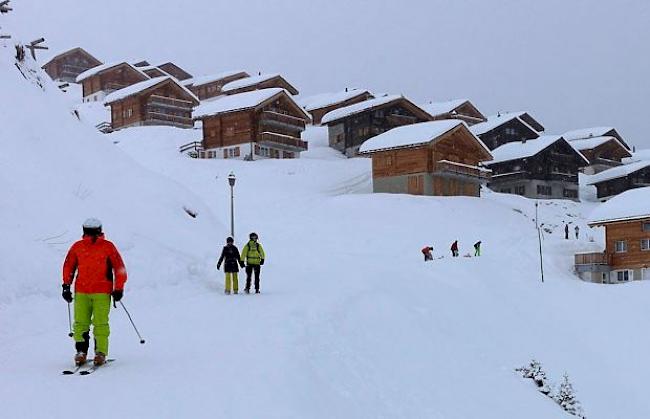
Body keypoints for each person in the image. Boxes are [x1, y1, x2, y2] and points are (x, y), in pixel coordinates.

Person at [62, 218, 127, 366]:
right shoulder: (77, 247)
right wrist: (66, 286)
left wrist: (119, 288)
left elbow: (119, 268)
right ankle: (81, 352)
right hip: (82, 291)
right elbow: (69, 267)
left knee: (100, 323)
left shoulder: (108, 247)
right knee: (80, 323)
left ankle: (100, 352)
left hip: (102, 292)